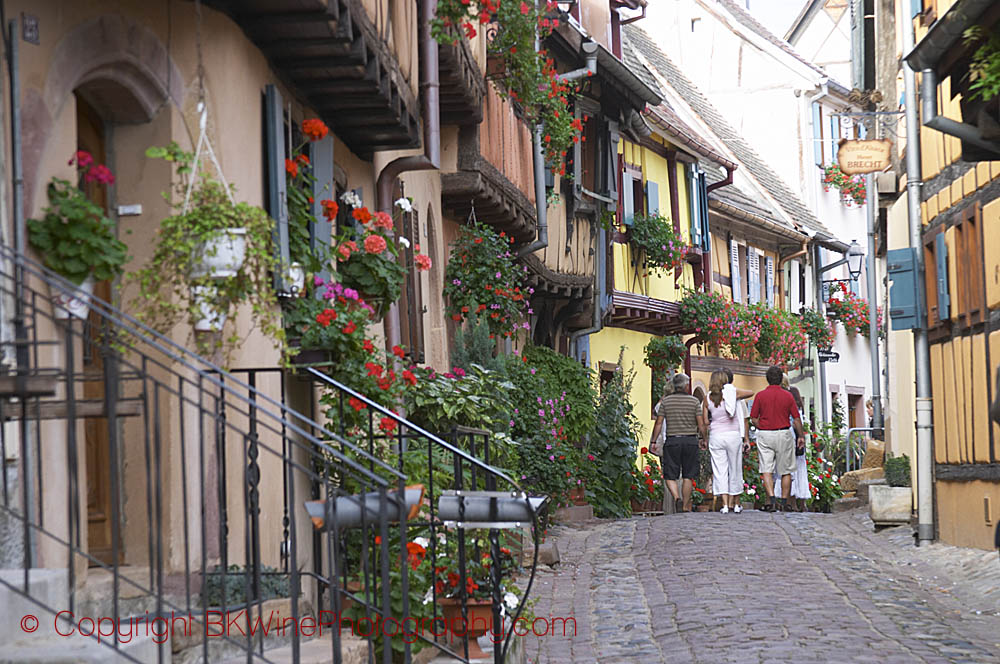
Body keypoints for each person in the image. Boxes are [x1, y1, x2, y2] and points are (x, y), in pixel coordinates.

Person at [750, 366, 805, 512]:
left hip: (765, 434)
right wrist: (801, 436)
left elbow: (753, 417)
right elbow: (796, 418)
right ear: (781, 379)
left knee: (766, 469)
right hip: (783, 433)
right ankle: (785, 502)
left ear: (767, 379)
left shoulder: (760, 396)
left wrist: (761, 425)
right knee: (785, 470)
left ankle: (771, 501)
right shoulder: (788, 396)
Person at [650, 373, 706, 513]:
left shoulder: (666, 402)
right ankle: (686, 506)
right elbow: (700, 424)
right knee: (688, 475)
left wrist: (653, 440)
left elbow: (659, 423)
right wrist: (703, 438)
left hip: (672, 440)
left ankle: (676, 498)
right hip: (690, 441)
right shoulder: (694, 402)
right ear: (686, 386)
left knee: (670, 475)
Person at [704, 369, 753, 513]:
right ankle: (736, 504)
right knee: (735, 469)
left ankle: (724, 504)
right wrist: (731, 390)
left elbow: (705, 421)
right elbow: (750, 392)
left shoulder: (707, 398)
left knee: (720, 470)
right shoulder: (732, 394)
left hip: (716, 436)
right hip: (732, 435)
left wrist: (704, 436)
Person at [773, 377, 810, 512]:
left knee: (784, 470)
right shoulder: (792, 396)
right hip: (792, 437)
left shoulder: (779, 398)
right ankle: (799, 503)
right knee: (796, 470)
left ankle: (787, 501)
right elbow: (798, 420)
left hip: (783, 435)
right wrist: (801, 435)